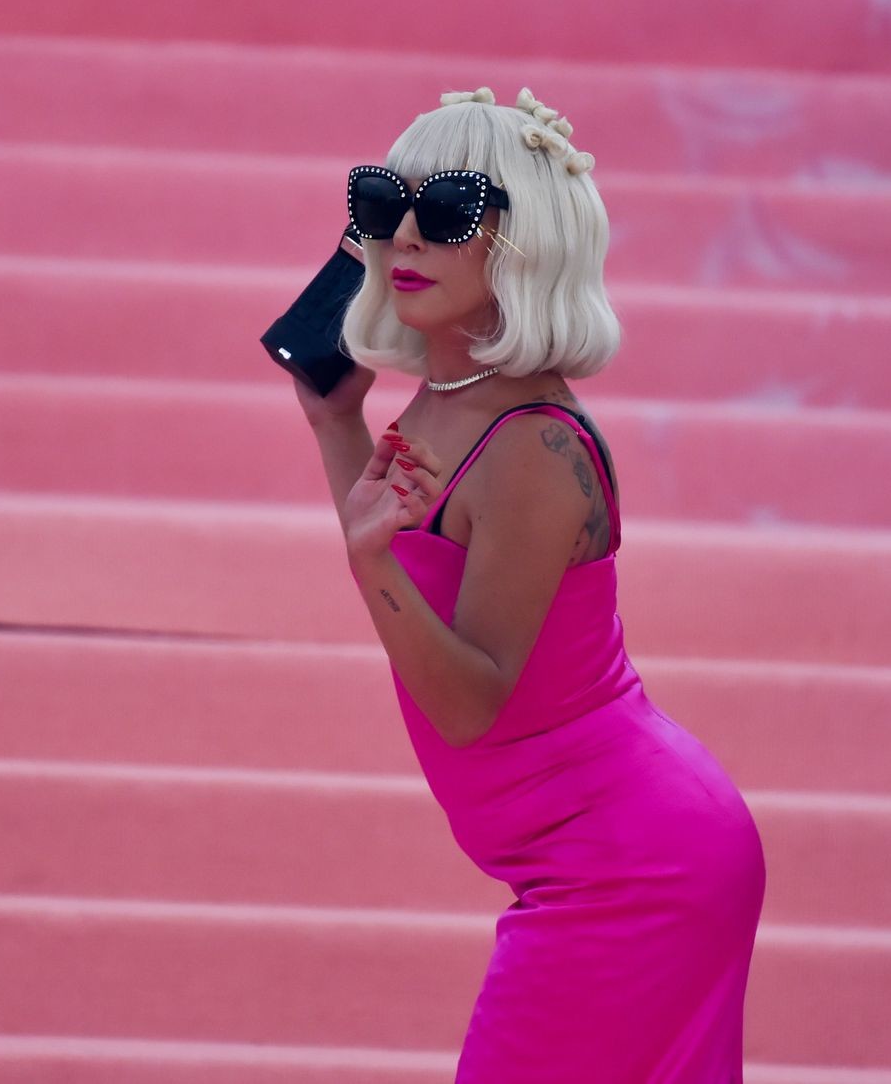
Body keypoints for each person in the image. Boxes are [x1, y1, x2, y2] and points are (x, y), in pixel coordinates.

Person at [293, 86, 767, 1082]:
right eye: (383, 204)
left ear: (527, 239)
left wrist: (366, 559)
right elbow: (403, 579)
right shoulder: (444, 401)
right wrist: (337, 424)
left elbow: (469, 701)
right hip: (589, 854)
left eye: (449, 209)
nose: (405, 235)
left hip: (637, 867)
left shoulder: (532, 446)